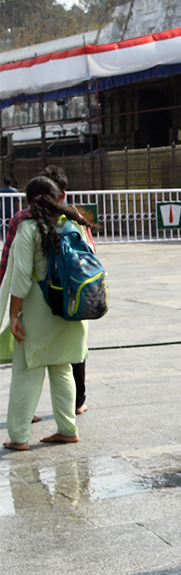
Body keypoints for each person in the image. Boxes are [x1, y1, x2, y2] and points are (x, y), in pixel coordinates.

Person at [1, 177, 93, 450]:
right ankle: (67, 428)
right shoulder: (73, 224)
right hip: (69, 311)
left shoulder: (27, 229)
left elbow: (19, 279)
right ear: (57, 198)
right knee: (62, 368)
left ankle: (18, 437)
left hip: (38, 312)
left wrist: (14, 315)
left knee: (26, 372)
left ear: (29, 201)